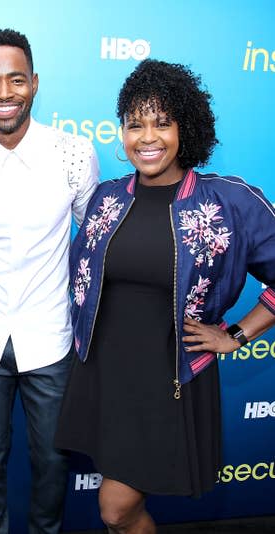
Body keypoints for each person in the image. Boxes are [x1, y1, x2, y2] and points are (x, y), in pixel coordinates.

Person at [55, 59, 275, 534]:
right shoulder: (107, 197)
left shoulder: (228, 201)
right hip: (104, 372)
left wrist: (236, 332)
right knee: (116, 514)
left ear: (186, 128)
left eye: (162, 122)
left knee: (115, 508)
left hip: (168, 377)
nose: (147, 136)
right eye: (135, 124)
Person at [0, 28, 100, 534]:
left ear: (34, 82)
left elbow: (91, 242)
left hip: (51, 337)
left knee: (52, 464)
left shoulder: (73, 152)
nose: (3, 93)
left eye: (15, 80)